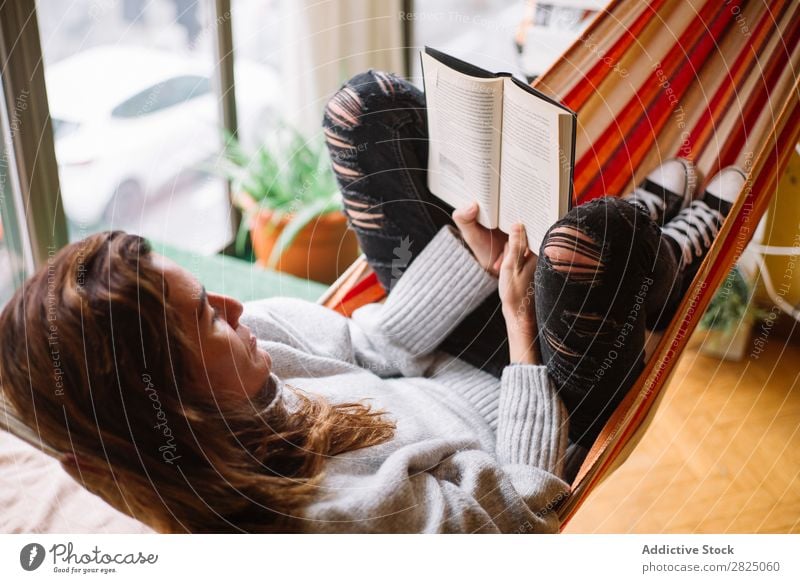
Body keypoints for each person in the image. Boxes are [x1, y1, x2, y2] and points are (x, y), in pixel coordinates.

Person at [0, 70, 745, 534]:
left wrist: (471, 260)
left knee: (364, 110)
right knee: (590, 242)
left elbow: (374, 347)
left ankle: (636, 241)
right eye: (205, 317)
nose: (237, 303)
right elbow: (523, 513)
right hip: (543, 414)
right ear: (173, 401)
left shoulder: (250, 351)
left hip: (445, 358)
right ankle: (667, 254)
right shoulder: (336, 527)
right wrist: (520, 327)